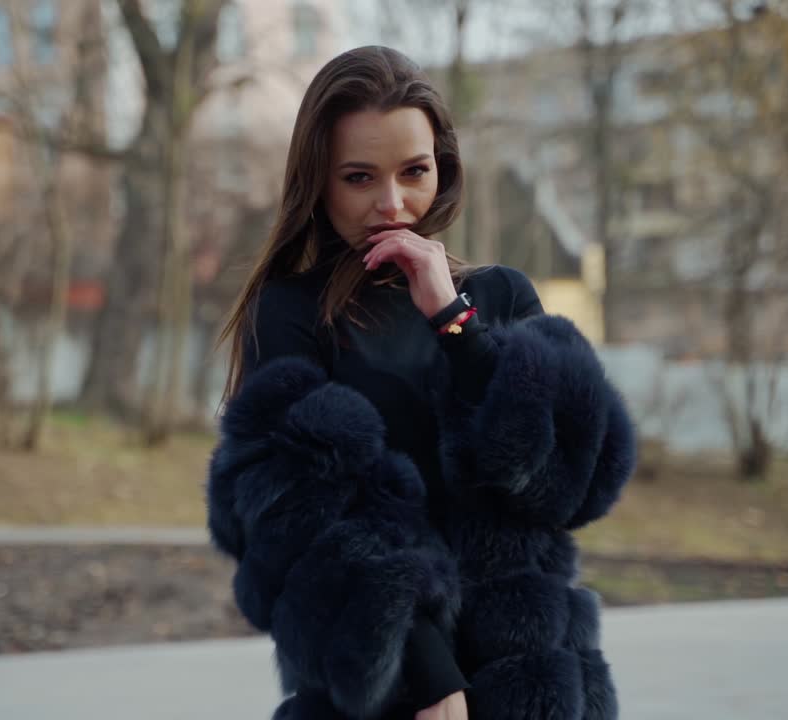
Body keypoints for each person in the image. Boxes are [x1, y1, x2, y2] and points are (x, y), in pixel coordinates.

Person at [207, 46, 635, 720]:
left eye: (414, 171)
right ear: (318, 182)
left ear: (444, 167)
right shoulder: (293, 313)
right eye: (358, 177)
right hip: (389, 687)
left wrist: (453, 320)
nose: (391, 204)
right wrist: (431, 677)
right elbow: (293, 520)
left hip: (538, 683)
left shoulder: (499, 298)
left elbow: (577, 480)